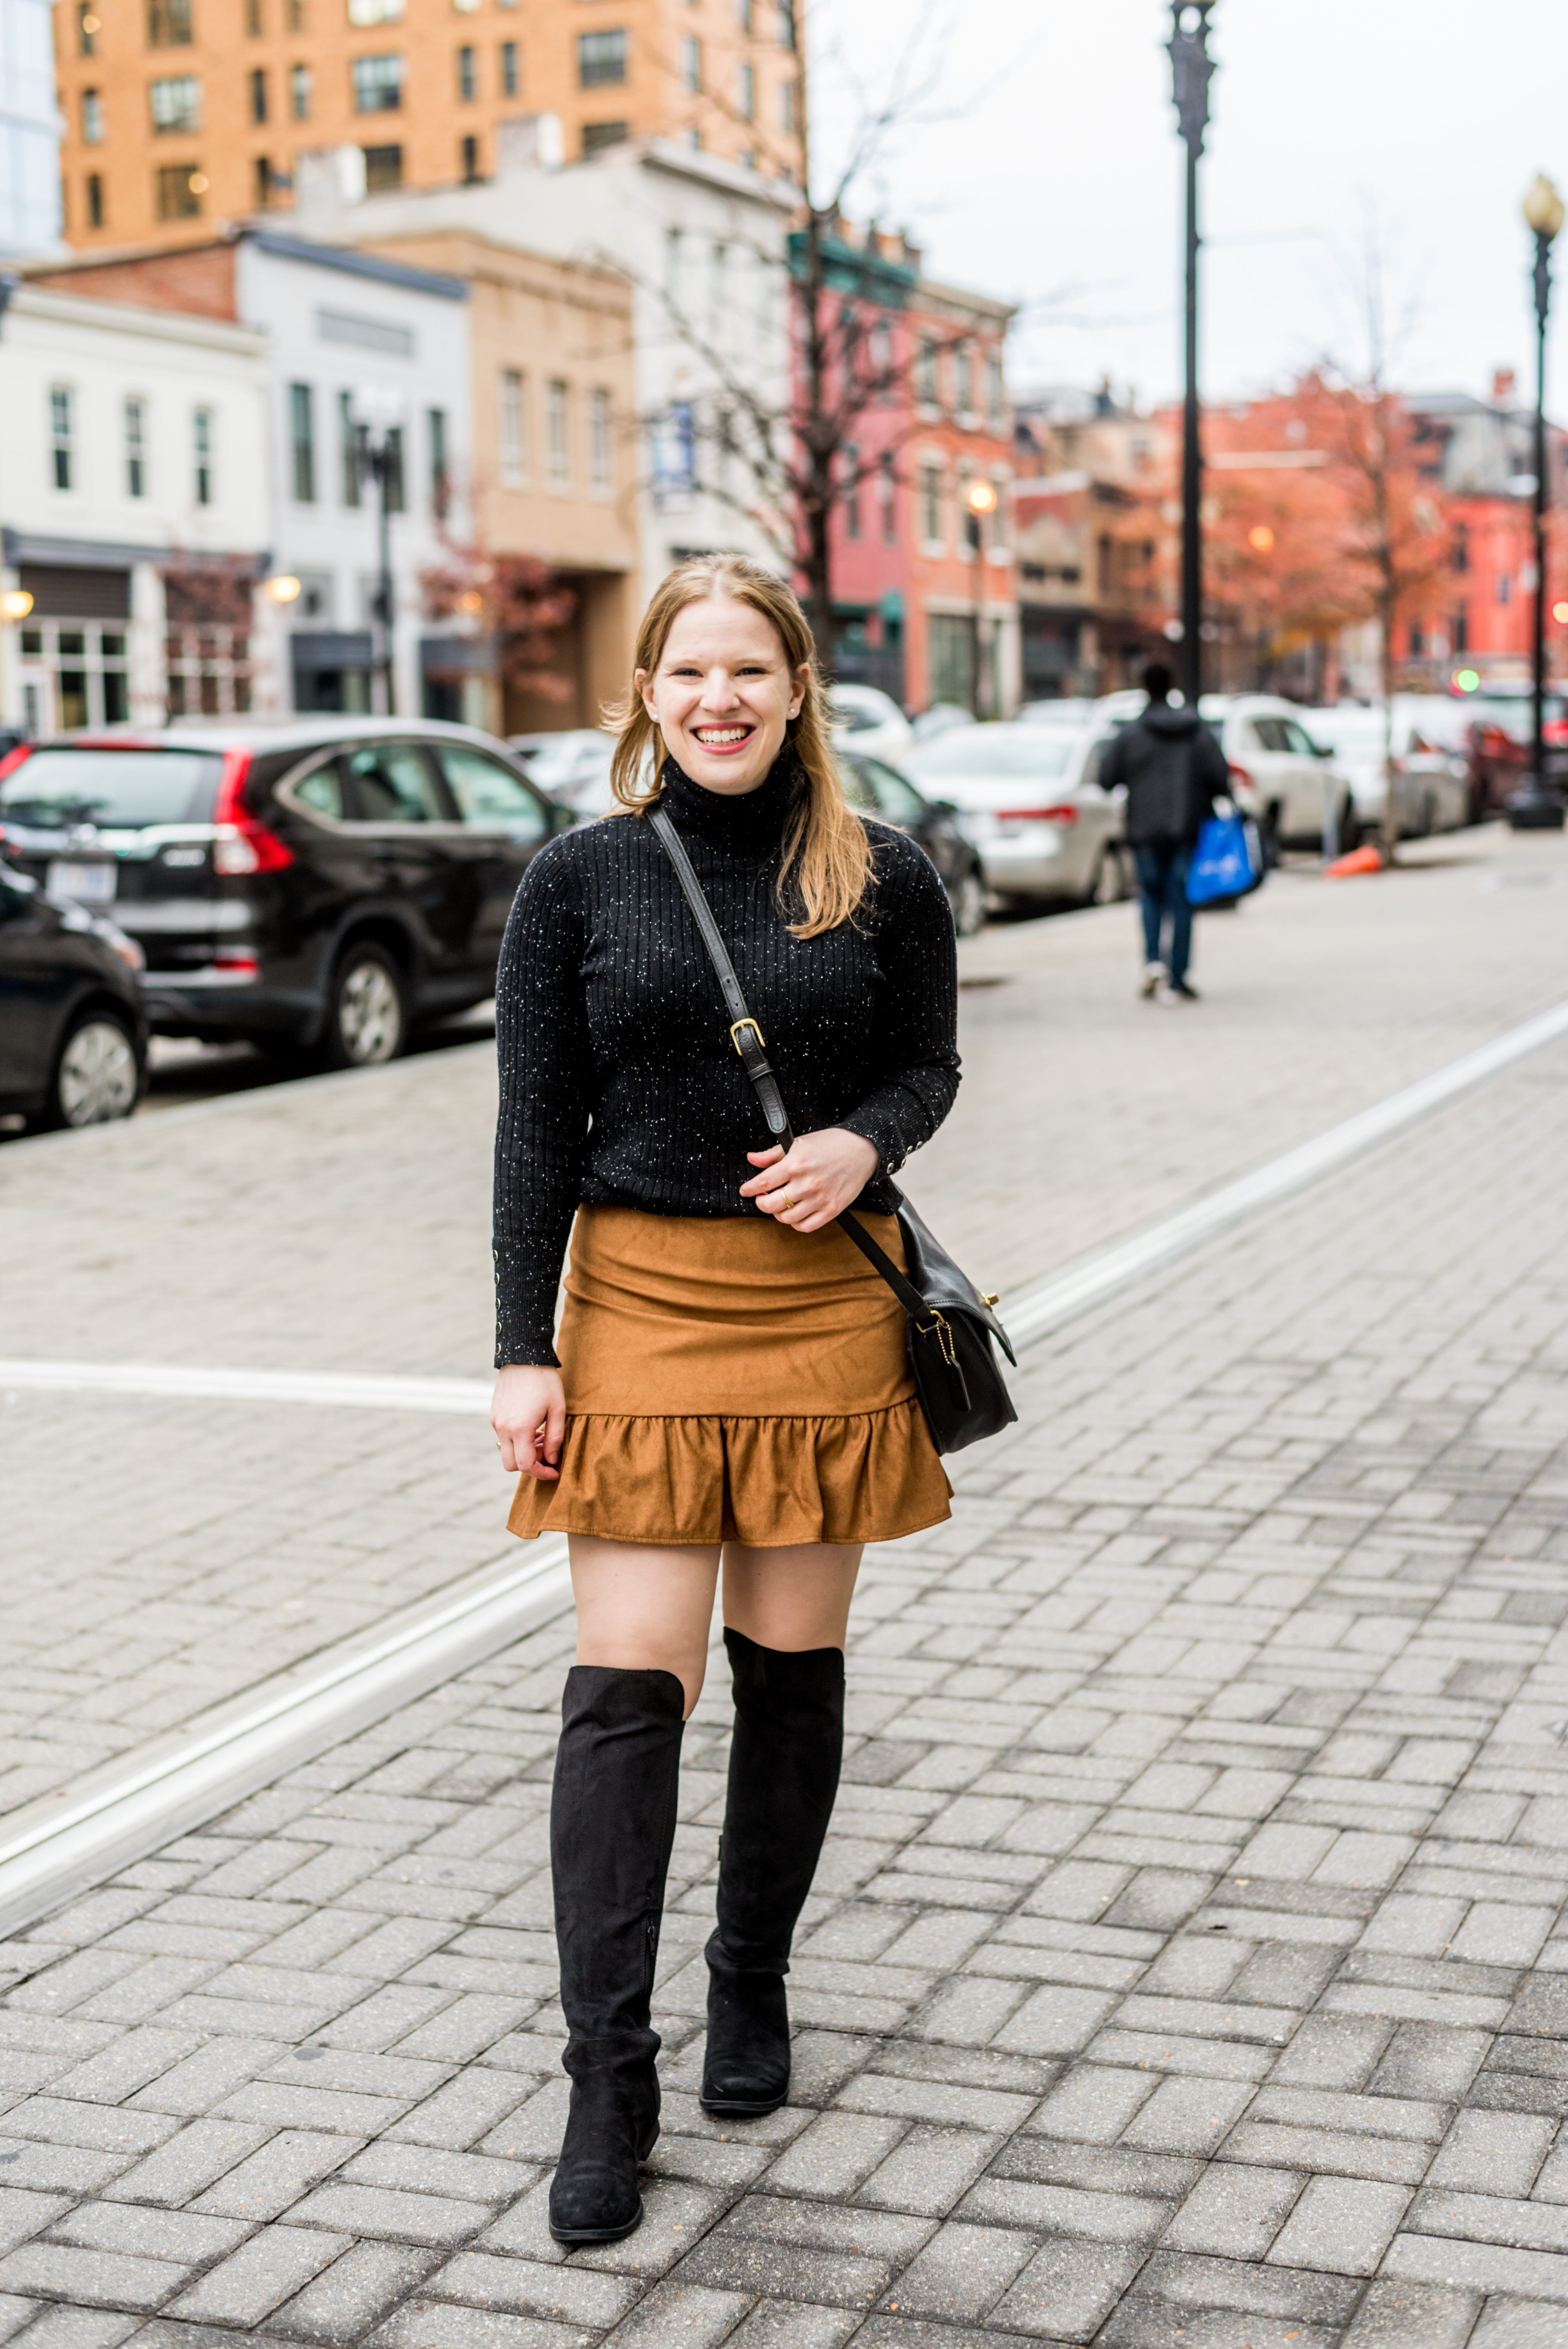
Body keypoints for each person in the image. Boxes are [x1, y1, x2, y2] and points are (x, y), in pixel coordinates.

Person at [490, 554, 960, 2247]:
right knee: (626, 1688)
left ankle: (747, 1979)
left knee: (788, 1667)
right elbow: (535, 1124)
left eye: (746, 671)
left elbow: (927, 1062)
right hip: (636, 1307)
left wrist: (865, 1141)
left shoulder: (881, 873)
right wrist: (517, 1346)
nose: (717, 699)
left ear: (794, 686)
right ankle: (603, 2076)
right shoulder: (578, 880)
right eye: (687, 671)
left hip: (820, 1309)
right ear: (647, 693)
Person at [1100, 660, 1228, 1003]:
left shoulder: (1131, 733)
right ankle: (1179, 975)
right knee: (1182, 898)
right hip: (1186, 827)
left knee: (1151, 896)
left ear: (1144, 686)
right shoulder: (1194, 729)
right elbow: (1221, 777)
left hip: (1143, 829)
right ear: (1171, 685)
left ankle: (1153, 963)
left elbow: (1106, 778)